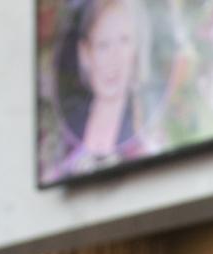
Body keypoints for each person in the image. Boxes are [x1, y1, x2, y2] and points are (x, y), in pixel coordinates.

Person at [56, 0, 154, 177]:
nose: (113, 59)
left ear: (136, 49)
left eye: (124, 41)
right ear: (85, 54)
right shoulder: (68, 127)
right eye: (103, 45)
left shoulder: (145, 134)